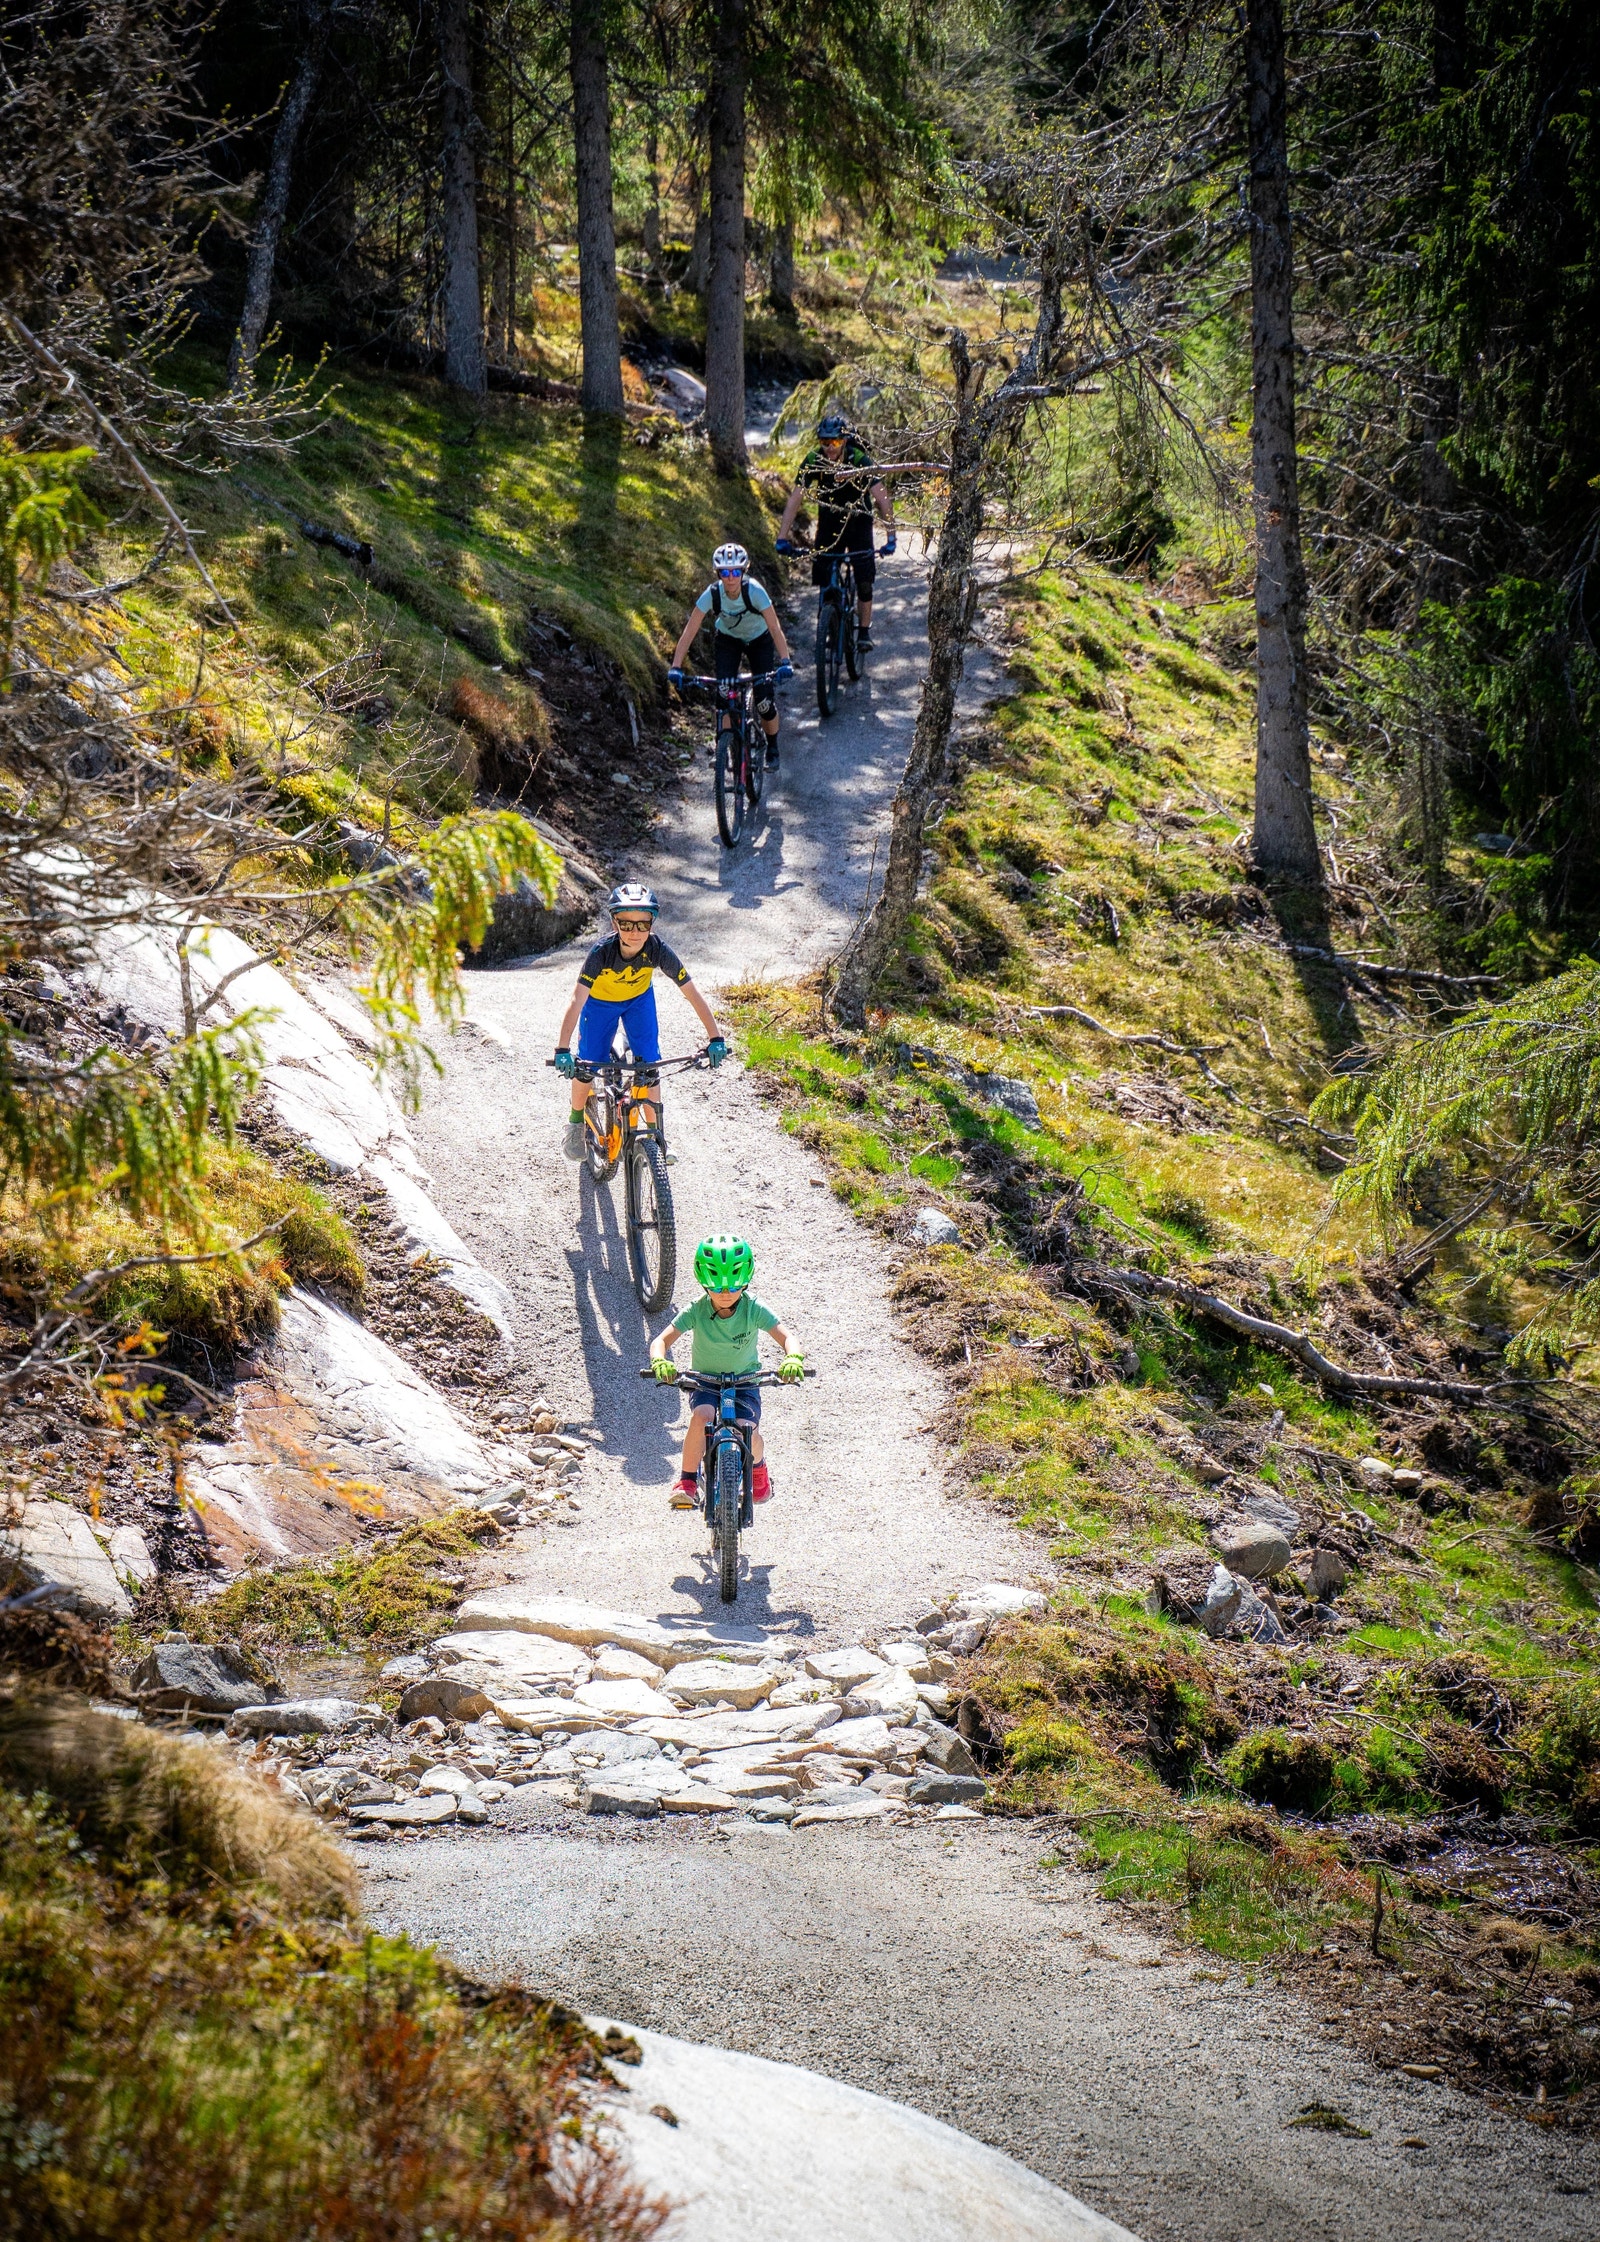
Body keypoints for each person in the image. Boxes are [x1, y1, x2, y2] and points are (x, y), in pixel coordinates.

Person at [553, 883, 725, 1160]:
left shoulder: (658, 950)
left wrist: (716, 1038)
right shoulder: (601, 953)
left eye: (642, 925)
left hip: (638, 1002)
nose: (635, 932)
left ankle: (656, 1137)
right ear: (614, 922)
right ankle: (575, 1123)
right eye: (626, 924)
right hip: (599, 1005)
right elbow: (576, 1000)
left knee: (649, 1067)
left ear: (651, 923)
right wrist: (562, 1049)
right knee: (587, 1063)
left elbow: (691, 993)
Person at [649, 1235, 804, 1509]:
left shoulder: (753, 1307)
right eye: (715, 1285)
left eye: (733, 1285)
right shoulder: (697, 1309)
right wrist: (660, 1361)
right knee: (702, 1416)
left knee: (748, 1429)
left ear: (745, 1281)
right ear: (703, 1282)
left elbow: (786, 1336)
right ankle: (687, 1481)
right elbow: (661, 1340)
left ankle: (758, 1469)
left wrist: (793, 1356)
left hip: (744, 1382)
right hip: (706, 1382)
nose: (725, 1292)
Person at [667, 542, 794, 766]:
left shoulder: (754, 591)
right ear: (718, 574)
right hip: (728, 640)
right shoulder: (712, 594)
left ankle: (772, 745)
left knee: (764, 700)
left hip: (759, 640)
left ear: (743, 571)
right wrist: (676, 666)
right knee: (724, 695)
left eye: (736, 571)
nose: (731, 578)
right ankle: (722, 748)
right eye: (725, 572)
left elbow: (774, 628)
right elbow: (690, 631)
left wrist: (785, 662)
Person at [775, 413, 895, 649]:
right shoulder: (813, 461)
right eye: (825, 442)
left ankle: (863, 633)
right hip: (829, 523)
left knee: (864, 581)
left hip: (858, 522)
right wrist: (781, 537)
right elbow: (795, 500)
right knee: (825, 578)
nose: (830, 448)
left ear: (845, 442)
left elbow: (882, 500)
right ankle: (829, 626)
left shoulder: (859, 460)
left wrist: (891, 536)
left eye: (836, 442)